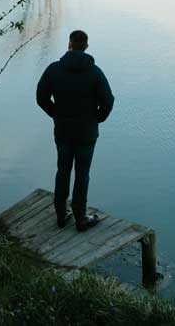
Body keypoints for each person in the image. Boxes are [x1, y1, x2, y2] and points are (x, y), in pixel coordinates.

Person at [35, 29, 115, 231]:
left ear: (69, 45)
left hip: (63, 130)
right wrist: (97, 118)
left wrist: (55, 113)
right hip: (87, 133)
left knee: (63, 170)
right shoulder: (95, 72)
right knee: (82, 174)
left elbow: (41, 97)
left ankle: (61, 215)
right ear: (86, 47)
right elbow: (108, 101)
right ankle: (80, 219)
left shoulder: (54, 69)